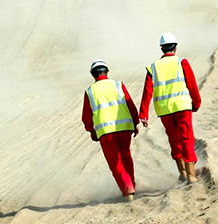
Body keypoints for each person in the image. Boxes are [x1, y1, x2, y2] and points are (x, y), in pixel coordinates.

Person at [139, 32, 202, 183]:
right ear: (175, 47)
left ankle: (182, 173)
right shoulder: (182, 62)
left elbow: (147, 92)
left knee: (174, 139)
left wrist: (143, 114)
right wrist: (196, 103)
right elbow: (192, 85)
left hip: (164, 110)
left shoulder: (153, 68)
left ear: (162, 48)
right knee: (186, 138)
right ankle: (192, 176)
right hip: (182, 107)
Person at [82, 59, 139, 201]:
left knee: (116, 162)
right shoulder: (118, 85)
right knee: (126, 156)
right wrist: (135, 122)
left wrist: (91, 130)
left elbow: (86, 115)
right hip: (125, 128)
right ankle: (132, 184)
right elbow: (130, 104)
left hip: (105, 132)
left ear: (92, 75)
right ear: (107, 72)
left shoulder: (90, 91)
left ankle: (128, 189)